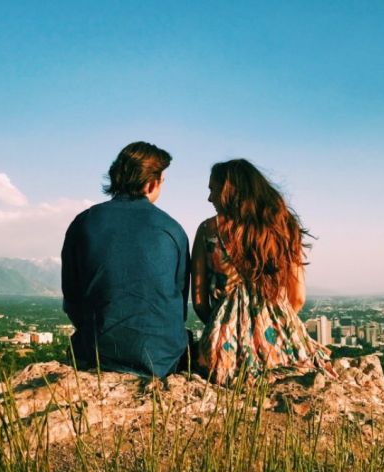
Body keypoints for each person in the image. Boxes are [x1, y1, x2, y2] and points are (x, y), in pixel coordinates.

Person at [192, 159, 336, 385]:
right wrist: (269, 326)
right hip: (281, 341)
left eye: (214, 190)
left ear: (230, 190)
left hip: (225, 347)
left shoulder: (207, 230)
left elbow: (200, 302)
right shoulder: (282, 226)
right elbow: (298, 297)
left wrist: (222, 328)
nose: (210, 198)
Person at [61, 141, 190, 378]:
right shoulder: (172, 230)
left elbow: (72, 299)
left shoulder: (84, 222)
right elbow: (178, 304)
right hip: (161, 360)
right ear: (152, 183)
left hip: (98, 354)